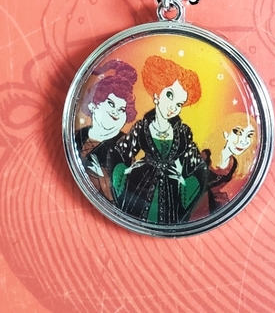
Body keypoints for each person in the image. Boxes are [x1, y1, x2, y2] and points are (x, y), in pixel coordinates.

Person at [112, 55, 208, 224]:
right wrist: (126, 172)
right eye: (170, 95)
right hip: (139, 189)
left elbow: (198, 167)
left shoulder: (183, 132)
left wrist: (183, 180)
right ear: (156, 93)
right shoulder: (141, 127)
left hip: (172, 193)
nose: (173, 107)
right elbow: (119, 153)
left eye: (179, 104)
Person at [74, 59, 138, 201]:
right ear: (93, 105)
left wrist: (101, 175)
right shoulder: (77, 135)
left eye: (122, 109)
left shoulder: (124, 147)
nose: (116, 112)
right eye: (110, 103)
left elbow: (128, 192)